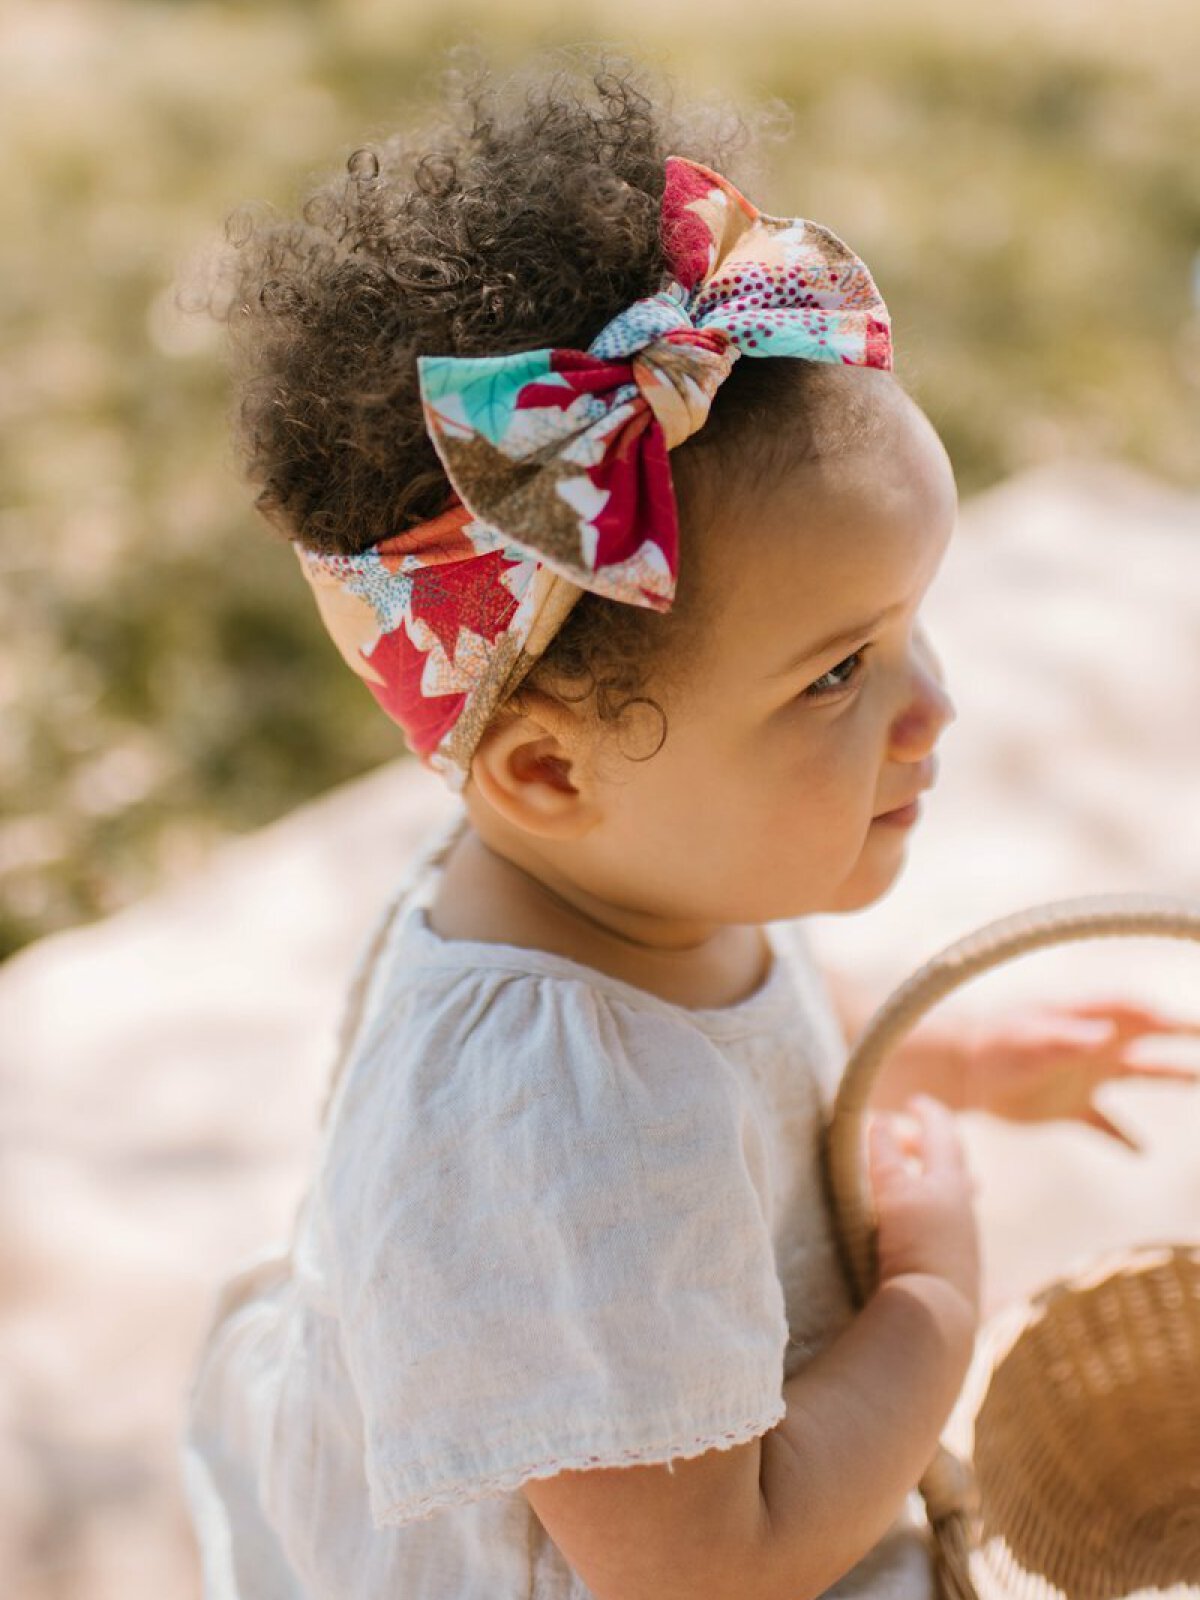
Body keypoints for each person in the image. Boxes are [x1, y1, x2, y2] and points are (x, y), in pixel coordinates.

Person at [179, 50, 1198, 1600]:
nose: (935, 705)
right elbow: (715, 1564)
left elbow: (748, 1017)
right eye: (838, 673)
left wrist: (951, 1059)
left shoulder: (640, 867)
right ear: (548, 773)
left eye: (909, 623)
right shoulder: (554, 1135)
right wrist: (931, 1292)